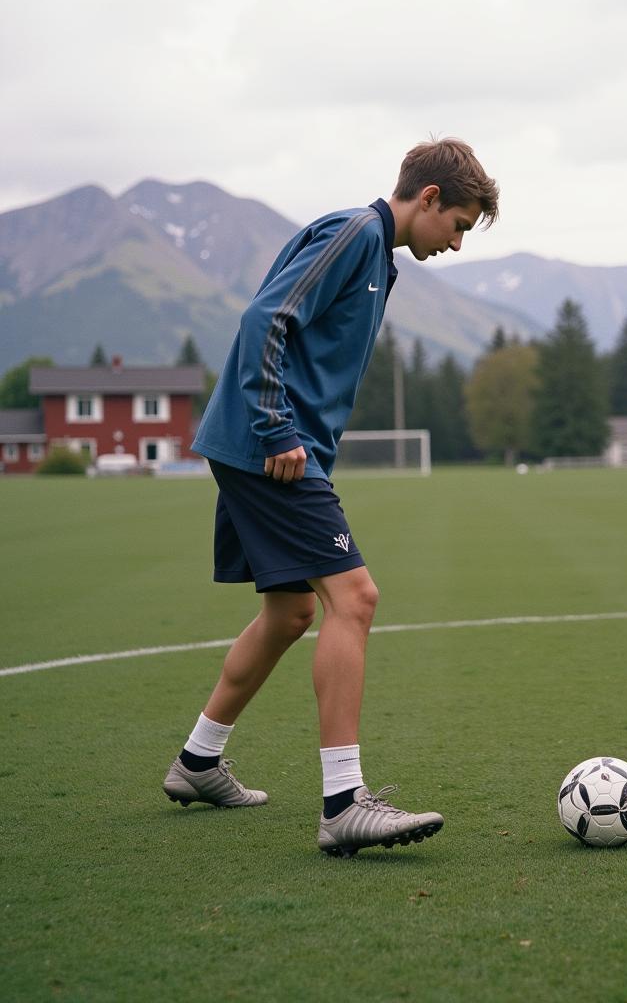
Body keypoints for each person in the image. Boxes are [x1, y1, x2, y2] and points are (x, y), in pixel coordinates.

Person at [162, 137, 499, 857]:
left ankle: (197, 762)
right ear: (430, 198)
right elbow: (266, 320)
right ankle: (345, 803)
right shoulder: (355, 233)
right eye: (460, 225)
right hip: (271, 449)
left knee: (290, 611)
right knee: (357, 598)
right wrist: (277, 427)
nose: (458, 243)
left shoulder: (381, 260)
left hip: (270, 449)